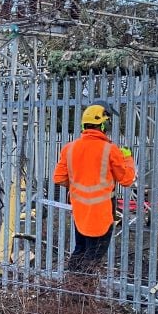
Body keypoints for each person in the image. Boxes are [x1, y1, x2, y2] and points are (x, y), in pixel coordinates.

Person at [52, 103, 136, 273]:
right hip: (102, 214)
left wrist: (78, 185)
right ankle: (82, 296)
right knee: (92, 258)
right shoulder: (110, 150)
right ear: (103, 126)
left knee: (80, 251)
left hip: (80, 211)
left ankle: (71, 290)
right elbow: (127, 180)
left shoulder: (70, 148)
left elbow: (59, 178)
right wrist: (127, 158)